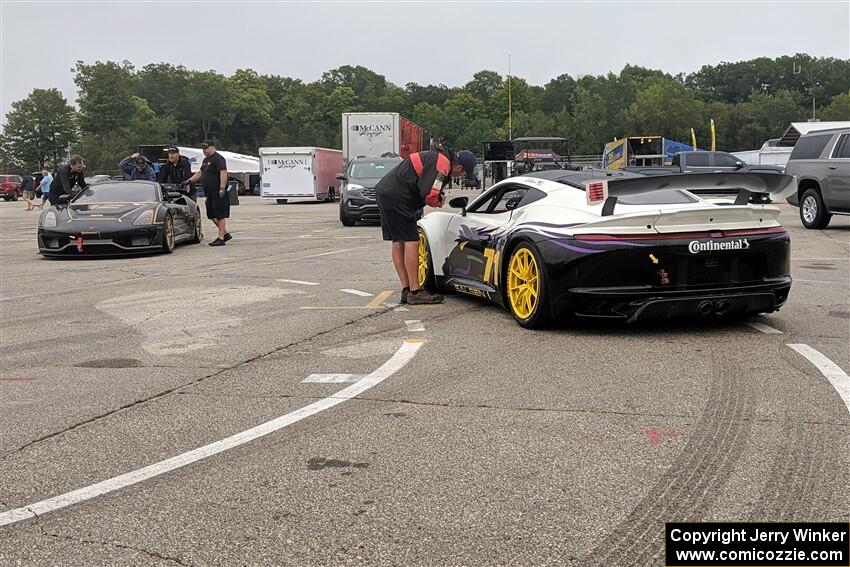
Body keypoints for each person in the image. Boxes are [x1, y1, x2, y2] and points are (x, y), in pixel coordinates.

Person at [374, 146, 477, 305]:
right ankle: (415, 291)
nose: (461, 176)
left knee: (399, 241)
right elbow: (429, 194)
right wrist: (438, 200)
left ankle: (406, 289)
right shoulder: (442, 164)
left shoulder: (436, 157)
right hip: (399, 196)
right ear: (459, 167)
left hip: (386, 191)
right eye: (463, 173)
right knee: (411, 241)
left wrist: (436, 195)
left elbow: (424, 185)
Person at [183, 141, 230, 246]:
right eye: (203, 149)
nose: (204, 151)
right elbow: (200, 173)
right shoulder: (205, 160)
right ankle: (225, 233)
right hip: (209, 193)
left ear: (213, 148)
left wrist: (222, 188)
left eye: (206, 148)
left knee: (220, 215)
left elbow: (223, 173)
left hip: (218, 192)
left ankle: (221, 238)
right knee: (211, 214)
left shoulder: (218, 159)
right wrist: (189, 181)